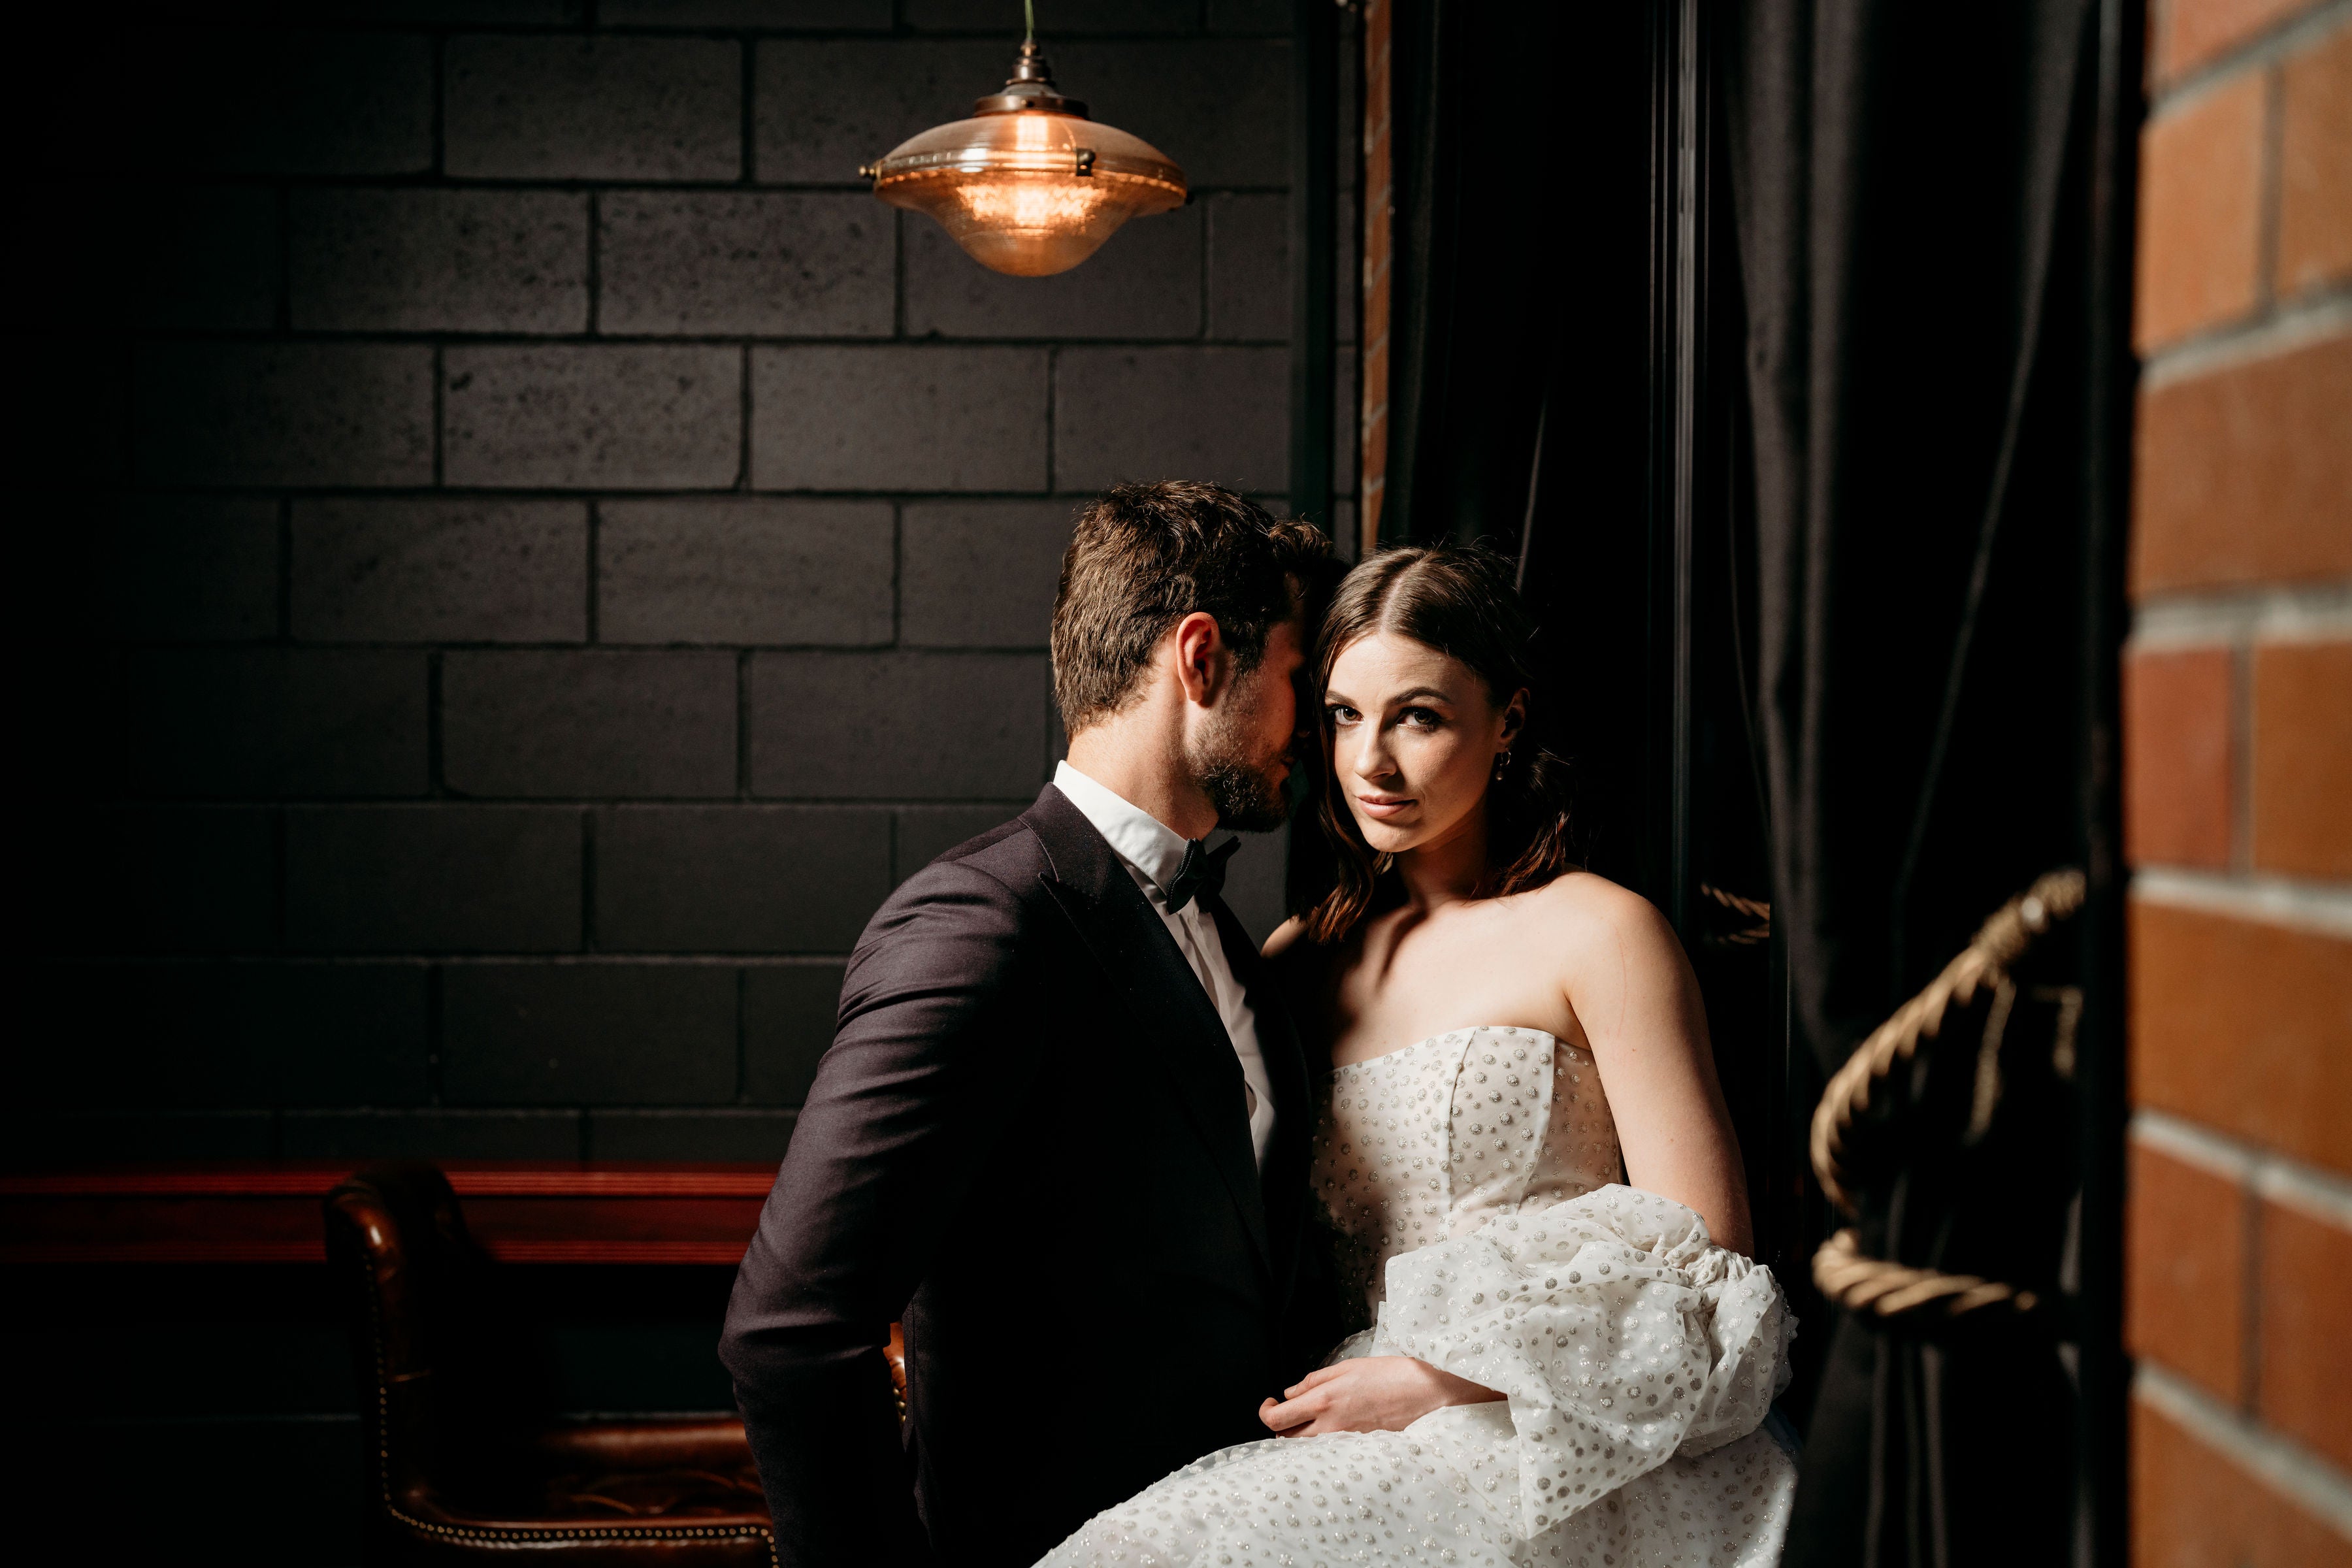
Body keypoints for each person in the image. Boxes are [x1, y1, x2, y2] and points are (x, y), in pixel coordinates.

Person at [1040, 544, 1797, 1567]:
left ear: (1508, 723)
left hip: (1564, 1429)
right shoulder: (1297, 961)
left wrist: (1441, 1382)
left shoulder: (1599, 932)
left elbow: (1715, 1269)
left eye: (1420, 717)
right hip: (1348, 1407)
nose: (1372, 762)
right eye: (1344, 715)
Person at [719, 482, 1340, 1568]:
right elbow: (788, 1334)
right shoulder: (984, 923)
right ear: (1201, 660)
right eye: (1301, 680)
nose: (1318, 733)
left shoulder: (1228, 937)